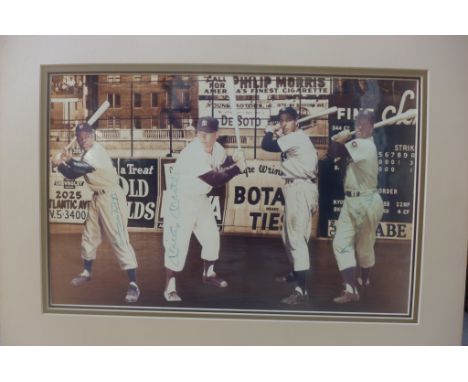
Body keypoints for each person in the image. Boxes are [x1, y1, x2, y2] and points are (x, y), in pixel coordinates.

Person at [51, 123, 140, 304]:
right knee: (89, 235)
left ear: (93, 136)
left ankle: (133, 283)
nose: (84, 139)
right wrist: (60, 165)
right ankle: (87, 272)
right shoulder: (86, 154)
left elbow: (80, 168)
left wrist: (65, 160)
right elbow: (73, 174)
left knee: (119, 238)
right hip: (97, 198)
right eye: (81, 137)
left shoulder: (96, 152)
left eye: (87, 136)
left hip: (111, 197)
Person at [163, 116, 247, 302]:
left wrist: (234, 158)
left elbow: (220, 164)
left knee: (211, 238)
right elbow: (215, 180)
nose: (203, 136)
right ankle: (170, 287)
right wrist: (237, 169)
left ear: (215, 135)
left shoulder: (216, 148)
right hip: (181, 199)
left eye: (208, 133)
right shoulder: (193, 152)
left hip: (199, 198)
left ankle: (208, 274)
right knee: (177, 245)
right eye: (200, 133)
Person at [261, 106, 319, 305]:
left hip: (301, 188)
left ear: (296, 122)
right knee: (288, 237)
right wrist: (276, 132)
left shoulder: (296, 137)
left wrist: (269, 130)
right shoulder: (292, 137)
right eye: (281, 120)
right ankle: (296, 273)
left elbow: (267, 145)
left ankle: (301, 291)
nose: (283, 124)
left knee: (296, 240)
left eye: (287, 120)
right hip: (295, 187)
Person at [327, 110, 384, 303]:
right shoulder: (358, 145)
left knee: (364, 247)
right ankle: (351, 289)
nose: (360, 127)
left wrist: (338, 141)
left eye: (365, 124)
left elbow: (336, 151)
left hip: (367, 200)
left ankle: (365, 278)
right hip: (351, 200)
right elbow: (338, 158)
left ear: (372, 127)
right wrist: (338, 146)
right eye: (358, 123)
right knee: (341, 244)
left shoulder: (365, 145)